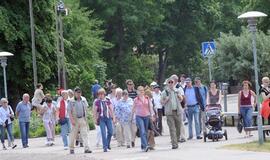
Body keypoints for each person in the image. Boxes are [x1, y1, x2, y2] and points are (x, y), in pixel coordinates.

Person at [161, 78, 183, 149]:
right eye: (169, 82)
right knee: (172, 128)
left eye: (172, 82)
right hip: (169, 112)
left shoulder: (176, 90)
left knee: (178, 128)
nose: (170, 83)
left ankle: (176, 140)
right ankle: (174, 144)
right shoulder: (165, 92)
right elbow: (161, 102)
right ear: (167, 83)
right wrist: (166, 100)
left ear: (174, 83)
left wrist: (179, 96)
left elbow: (181, 99)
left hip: (177, 111)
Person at [68, 87, 92, 154]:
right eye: (77, 92)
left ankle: (87, 148)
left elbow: (86, 108)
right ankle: (71, 148)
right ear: (74, 93)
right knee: (73, 135)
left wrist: (87, 117)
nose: (78, 94)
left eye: (79, 92)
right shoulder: (71, 101)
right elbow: (69, 111)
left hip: (82, 118)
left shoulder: (83, 99)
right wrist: (71, 120)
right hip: (75, 119)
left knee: (85, 134)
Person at [132, 86, 153, 152]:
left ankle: (143, 145)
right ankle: (146, 145)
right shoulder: (136, 99)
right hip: (139, 116)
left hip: (146, 116)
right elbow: (133, 109)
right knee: (142, 131)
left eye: (142, 91)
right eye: (140, 91)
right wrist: (132, 117)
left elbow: (150, 107)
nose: (141, 92)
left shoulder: (147, 98)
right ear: (137, 92)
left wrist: (151, 115)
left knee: (145, 132)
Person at [170, 74, 186, 142]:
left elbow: (182, 97)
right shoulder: (171, 87)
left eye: (172, 80)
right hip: (173, 107)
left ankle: (182, 137)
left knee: (180, 122)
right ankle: (176, 137)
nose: (170, 81)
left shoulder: (179, 87)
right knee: (174, 123)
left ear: (175, 80)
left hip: (179, 107)